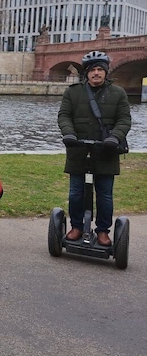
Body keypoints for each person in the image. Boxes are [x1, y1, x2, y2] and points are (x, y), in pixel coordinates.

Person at [58, 50, 131, 246]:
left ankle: (102, 230)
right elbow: (64, 116)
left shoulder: (118, 93)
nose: (96, 73)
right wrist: (69, 134)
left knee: (105, 194)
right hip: (78, 149)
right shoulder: (73, 92)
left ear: (106, 72)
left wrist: (115, 137)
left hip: (106, 150)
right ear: (86, 73)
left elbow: (124, 120)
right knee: (75, 193)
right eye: (92, 70)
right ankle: (76, 226)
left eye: (100, 69)